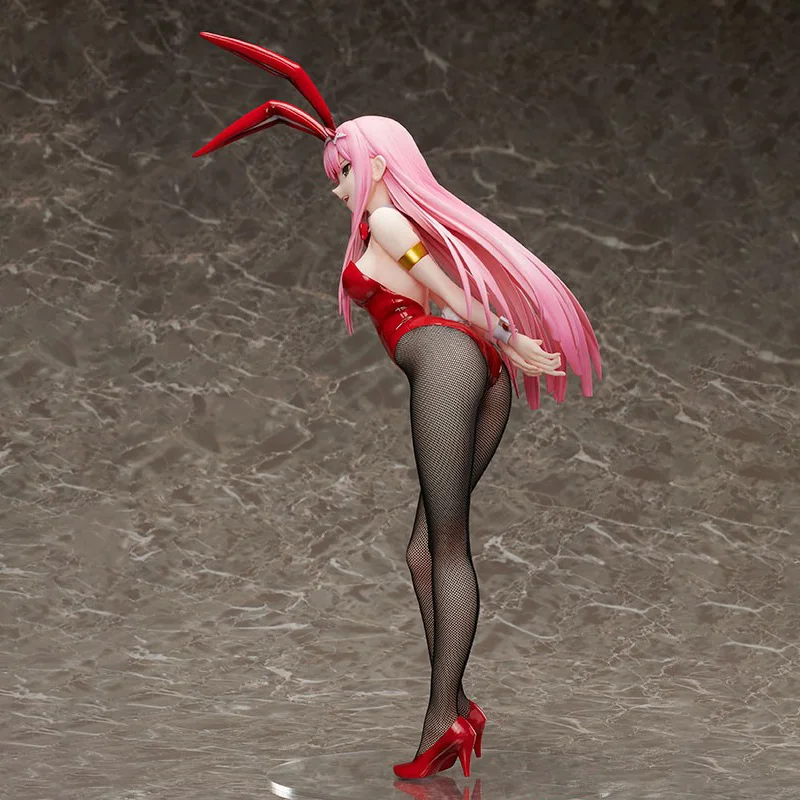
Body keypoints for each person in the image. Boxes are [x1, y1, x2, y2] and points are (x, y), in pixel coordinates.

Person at [193, 32, 602, 780]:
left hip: (446, 359)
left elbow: (448, 296)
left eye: (345, 170)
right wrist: (499, 345)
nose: (336, 187)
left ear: (379, 165)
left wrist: (506, 337)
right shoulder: (381, 224)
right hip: (456, 360)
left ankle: (442, 721)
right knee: (423, 550)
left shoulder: (385, 222)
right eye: (333, 174)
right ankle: (459, 705)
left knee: (447, 544)